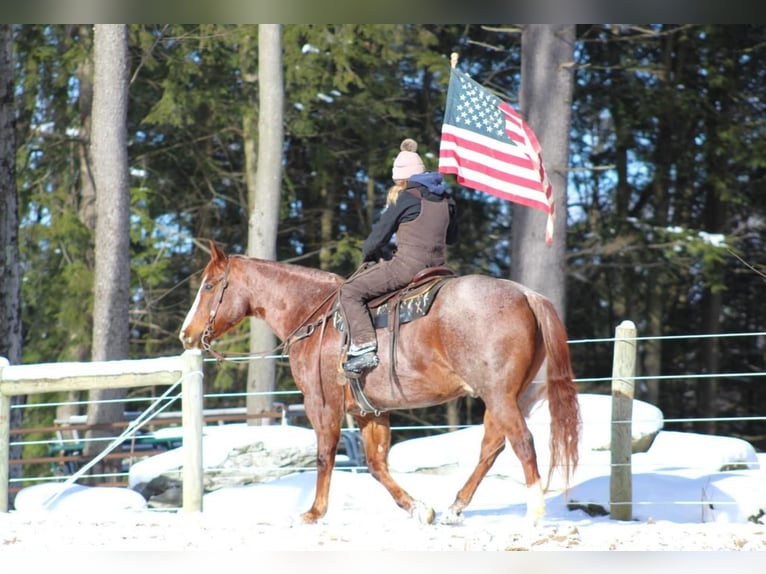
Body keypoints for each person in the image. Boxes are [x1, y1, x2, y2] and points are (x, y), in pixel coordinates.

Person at [339, 138, 458, 375]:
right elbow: (452, 237)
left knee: (349, 291)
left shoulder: (406, 197)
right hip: (440, 269)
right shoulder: (447, 199)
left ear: (401, 179)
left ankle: (363, 348)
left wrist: (368, 258)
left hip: (408, 267)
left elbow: (377, 238)